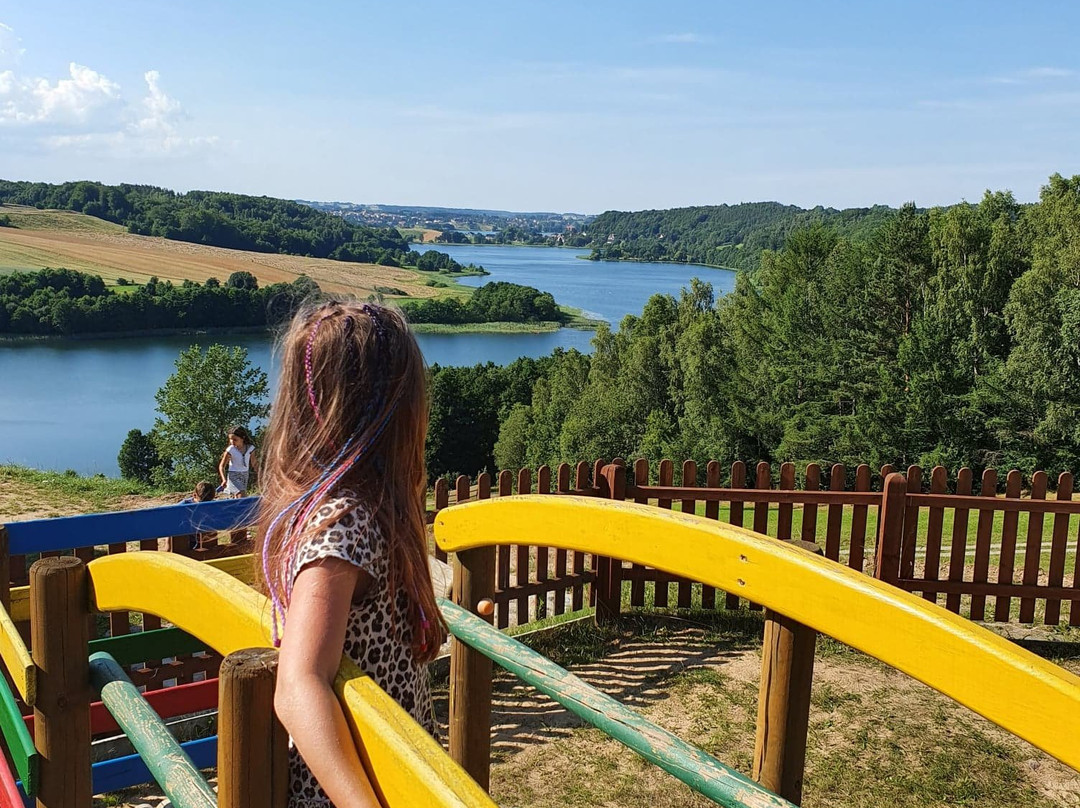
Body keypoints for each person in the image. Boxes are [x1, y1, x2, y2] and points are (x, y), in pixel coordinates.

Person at [257, 301, 445, 808]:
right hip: (359, 788)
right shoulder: (344, 524)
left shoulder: (348, 509)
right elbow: (298, 683)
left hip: (390, 768)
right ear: (394, 411)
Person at [178, 481, 217, 551]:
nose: (205, 506)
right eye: (201, 503)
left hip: (206, 540)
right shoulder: (184, 505)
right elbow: (171, 515)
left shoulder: (214, 505)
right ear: (194, 495)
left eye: (209, 502)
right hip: (187, 540)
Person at [219, 425, 257, 497]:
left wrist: (260, 474)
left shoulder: (250, 448)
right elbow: (222, 466)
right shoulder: (230, 450)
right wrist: (223, 479)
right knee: (241, 495)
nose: (232, 442)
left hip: (245, 475)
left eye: (235, 440)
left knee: (238, 496)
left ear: (242, 438)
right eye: (230, 439)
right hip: (233, 475)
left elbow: (254, 463)